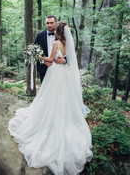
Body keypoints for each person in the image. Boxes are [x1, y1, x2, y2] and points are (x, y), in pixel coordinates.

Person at [8, 22, 93, 175]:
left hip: (55, 75)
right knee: (64, 99)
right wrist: (57, 59)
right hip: (65, 75)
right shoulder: (67, 43)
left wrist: (39, 56)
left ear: (57, 32)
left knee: (50, 98)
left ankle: (50, 120)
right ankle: (64, 118)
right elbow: (65, 60)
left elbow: (52, 59)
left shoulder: (55, 43)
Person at [34, 15, 66, 82]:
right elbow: (33, 52)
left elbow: (70, 52)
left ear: (56, 23)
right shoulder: (40, 36)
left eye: (51, 23)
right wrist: (43, 61)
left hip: (59, 68)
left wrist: (64, 60)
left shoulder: (62, 36)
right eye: (47, 23)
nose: (49, 25)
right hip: (44, 69)